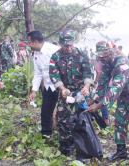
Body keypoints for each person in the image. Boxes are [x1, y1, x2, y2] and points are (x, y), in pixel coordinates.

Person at [89, 41, 129, 164]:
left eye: (105, 55)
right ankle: (121, 152)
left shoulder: (122, 63)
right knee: (120, 121)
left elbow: (115, 88)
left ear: (111, 52)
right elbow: (102, 84)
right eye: (100, 56)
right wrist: (93, 99)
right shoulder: (107, 64)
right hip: (124, 95)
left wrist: (99, 105)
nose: (103, 58)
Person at [49, 29, 93, 157]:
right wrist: (62, 88)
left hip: (80, 91)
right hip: (65, 92)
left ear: (73, 43)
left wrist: (87, 86)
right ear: (61, 43)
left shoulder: (82, 54)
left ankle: (83, 147)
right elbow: (54, 75)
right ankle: (66, 147)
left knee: (82, 118)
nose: (68, 48)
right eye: (65, 45)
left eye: (70, 45)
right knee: (63, 119)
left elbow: (88, 72)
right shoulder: (55, 56)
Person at [28, 30, 59, 138]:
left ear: (36, 41)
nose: (29, 44)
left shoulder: (54, 50)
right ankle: (47, 134)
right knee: (45, 111)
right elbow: (38, 73)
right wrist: (34, 91)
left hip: (60, 85)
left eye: (30, 42)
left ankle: (66, 134)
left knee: (64, 112)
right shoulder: (35, 54)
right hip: (48, 86)